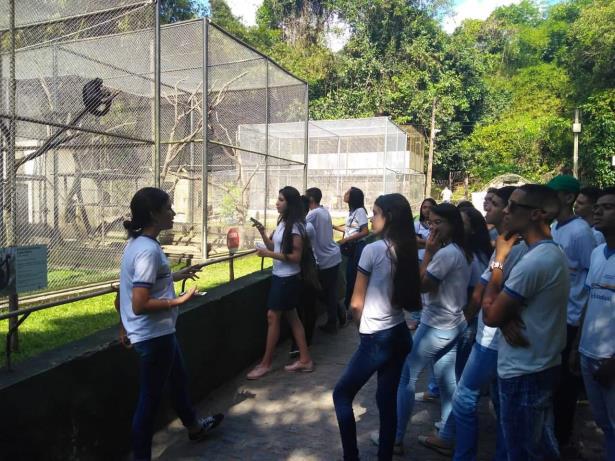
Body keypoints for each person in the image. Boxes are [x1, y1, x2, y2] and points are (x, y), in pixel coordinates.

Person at [116, 187, 223, 461]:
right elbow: (139, 302)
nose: (173, 213)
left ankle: (195, 428)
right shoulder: (147, 251)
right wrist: (180, 301)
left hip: (158, 334)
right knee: (149, 403)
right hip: (154, 337)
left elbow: (125, 293)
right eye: (168, 208)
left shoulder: (137, 244)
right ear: (154, 214)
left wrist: (178, 275)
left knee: (178, 380)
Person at [483, 184, 568, 461]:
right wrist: (504, 313)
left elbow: (490, 315)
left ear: (537, 215)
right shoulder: (541, 254)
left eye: (514, 206)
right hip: (533, 365)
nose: (506, 210)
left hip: (525, 372)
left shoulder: (536, 261)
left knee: (523, 452)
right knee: (539, 447)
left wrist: (498, 259)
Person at [333, 194, 421, 461]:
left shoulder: (373, 249)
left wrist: (361, 327)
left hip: (377, 337)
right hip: (399, 333)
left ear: (389, 216)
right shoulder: (407, 249)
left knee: (341, 395)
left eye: (375, 212)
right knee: (386, 401)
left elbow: (356, 304)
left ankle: (351, 457)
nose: (371, 217)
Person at [395, 203, 472, 456]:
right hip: (452, 323)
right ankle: (447, 436)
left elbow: (422, 286)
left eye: (439, 222)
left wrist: (427, 253)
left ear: (453, 225)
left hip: (437, 325)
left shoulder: (446, 253)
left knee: (407, 377)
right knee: (448, 382)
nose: (433, 226)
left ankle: (395, 438)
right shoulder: (457, 250)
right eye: (431, 222)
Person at [452, 186, 519, 461]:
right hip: (484, 334)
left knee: (465, 399)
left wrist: (500, 262)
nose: (486, 206)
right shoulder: (501, 244)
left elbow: (498, 294)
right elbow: (481, 287)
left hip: (493, 339)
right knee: (499, 406)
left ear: (508, 210)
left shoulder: (517, 250)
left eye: (493, 202)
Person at [547, 175, 597, 452]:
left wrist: (584, 320)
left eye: (553, 195)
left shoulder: (580, 232)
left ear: (567, 198)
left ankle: (562, 440)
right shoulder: (555, 227)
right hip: (554, 316)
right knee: (553, 382)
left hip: (573, 319)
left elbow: (592, 274)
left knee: (565, 387)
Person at [247, 186, 314, 379]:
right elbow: (273, 246)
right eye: (277, 199)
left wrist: (268, 254)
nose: (277, 202)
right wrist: (262, 232)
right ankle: (305, 359)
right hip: (281, 276)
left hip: (287, 279)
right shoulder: (284, 223)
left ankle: (266, 364)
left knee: (272, 316)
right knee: (292, 317)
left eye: (281, 200)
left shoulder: (296, 226)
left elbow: (295, 256)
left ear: (290, 204)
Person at [575, 187, 615, 460]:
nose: (598, 211)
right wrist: (576, 346)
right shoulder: (598, 252)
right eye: (597, 206)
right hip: (587, 353)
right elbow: (589, 300)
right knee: (603, 423)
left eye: (608, 207)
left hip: (610, 359)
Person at [301, 188, 345, 335]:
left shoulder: (313, 214)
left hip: (325, 259)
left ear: (311, 199)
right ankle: (338, 314)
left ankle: (334, 318)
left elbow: (299, 224)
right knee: (329, 291)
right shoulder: (323, 210)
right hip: (333, 256)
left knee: (323, 292)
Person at [456, 205, 492, 378]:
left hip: (467, 317)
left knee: (460, 363)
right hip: (467, 317)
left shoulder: (474, 256)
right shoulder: (471, 252)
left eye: (461, 223)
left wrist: (466, 318)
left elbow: (477, 292)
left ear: (473, 229)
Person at [333, 187, 369, 312]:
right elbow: (351, 230)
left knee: (352, 277)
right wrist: (334, 227)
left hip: (357, 248)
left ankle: (350, 307)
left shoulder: (359, 211)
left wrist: (347, 240)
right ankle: (349, 305)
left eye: (348, 192)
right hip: (352, 247)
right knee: (350, 277)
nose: (345, 194)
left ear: (353, 197)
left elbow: (365, 231)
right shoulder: (353, 211)